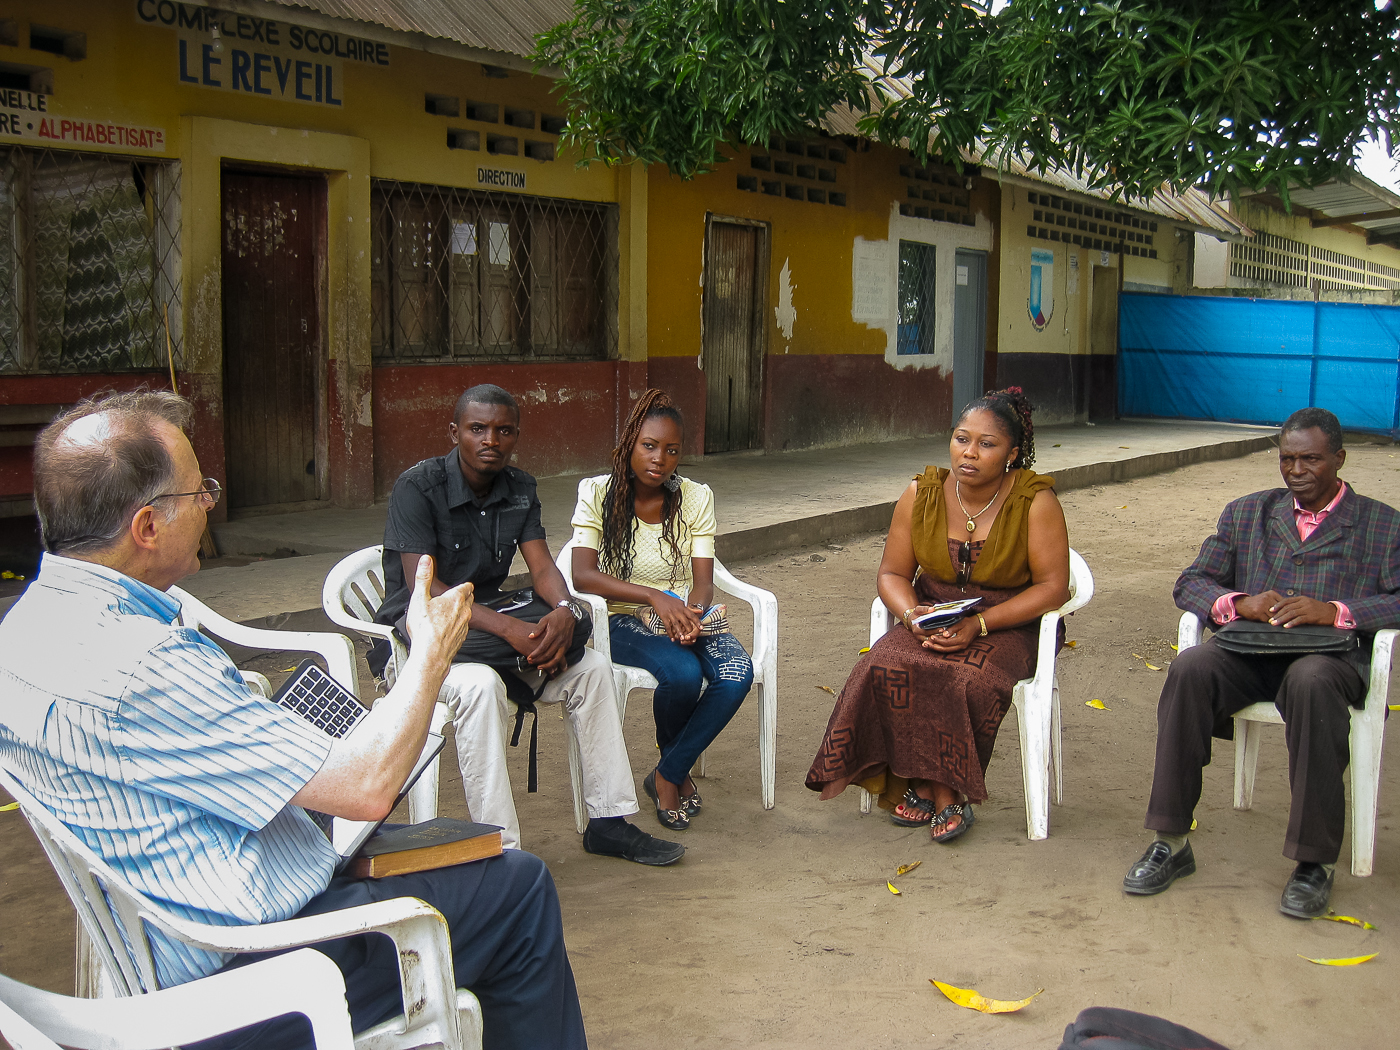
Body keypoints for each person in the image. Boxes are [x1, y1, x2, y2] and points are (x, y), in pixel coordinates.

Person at [0, 390, 586, 1050]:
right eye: (201, 492)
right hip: (247, 979)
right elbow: (366, 790)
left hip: (163, 931)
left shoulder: (22, 633)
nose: (210, 504)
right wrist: (429, 653)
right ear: (146, 528)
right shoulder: (148, 665)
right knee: (518, 890)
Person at [376, 383, 683, 865]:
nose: (490, 440)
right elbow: (426, 587)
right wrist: (508, 630)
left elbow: (542, 569)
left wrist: (563, 611)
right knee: (478, 687)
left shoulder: (520, 487)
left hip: (493, 626)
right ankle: (502, 849)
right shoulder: (418, 487)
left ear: (516, 436)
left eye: (503, 431)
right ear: (454, 432)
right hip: (429, 634)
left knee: (594, 669)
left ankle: (608, 821)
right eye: (477, 429)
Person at [1122, 407, 1400, 918]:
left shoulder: (1382, 525)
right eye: (1287, 459)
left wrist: (1338, 611)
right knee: (1190, 668)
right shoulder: (1247, 512)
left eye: (1311, 459)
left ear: (1339, 458)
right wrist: (1237, 601)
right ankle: (1171, 841)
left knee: (1312, 682)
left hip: (1327, 661)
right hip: (1249, 652)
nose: (1297, 470)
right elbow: (1190, 581)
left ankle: (1315, 864)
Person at [806, 388, 1071, 843]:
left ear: (1011, 453)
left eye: (986, 444)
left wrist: (980, 624)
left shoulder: (1034, 501)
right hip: (933, 610)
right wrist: (912, 616)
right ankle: (924, 784)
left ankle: (945, 792)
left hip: (1007, 620)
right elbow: (891, 572)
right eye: (961, 438)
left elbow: (1053, 588)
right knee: (881, 664)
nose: (969, 453)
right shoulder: (921, 493)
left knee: (967, 678)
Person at [569, 389, 753, 829]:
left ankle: (666, 773)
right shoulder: (597, 493)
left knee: (736, 674)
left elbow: (704, 581)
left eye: (671, 450)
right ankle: (675, 777)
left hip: (680, 613)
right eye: (649, 446)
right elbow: (582, 576)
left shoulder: (695, 497)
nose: (659, 459)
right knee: (684, 675)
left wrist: (692, 614)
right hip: (619, 619)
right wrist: (654, 597)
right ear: (629, 443)